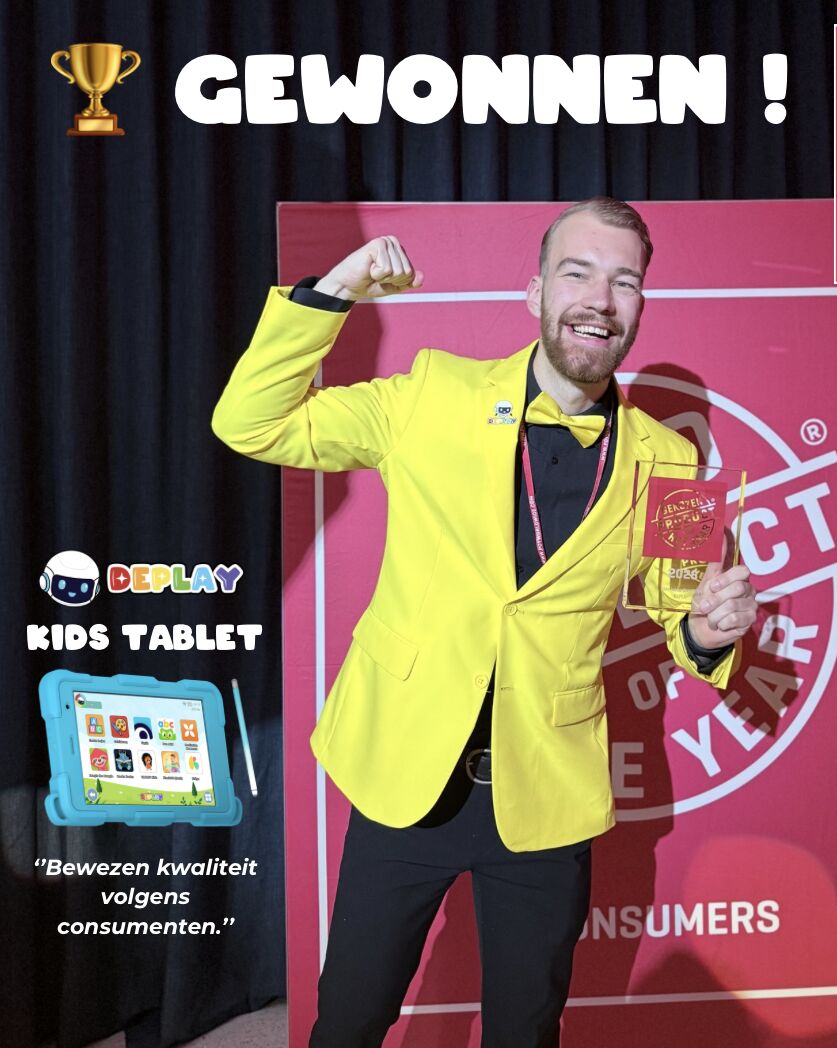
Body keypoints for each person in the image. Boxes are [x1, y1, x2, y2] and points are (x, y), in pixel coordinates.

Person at [212, 197, 758, 1047]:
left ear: (641, 305)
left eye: (624, 282)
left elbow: (677, 604)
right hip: (407, 771)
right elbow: (252, 421)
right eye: (577, 273)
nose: (599, 299)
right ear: (535, 293)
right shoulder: (434, 393)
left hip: (547, 790)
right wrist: (337, 290)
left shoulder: (670, 458)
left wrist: (710, 634)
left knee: (526, 1029)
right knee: (349, 1018)